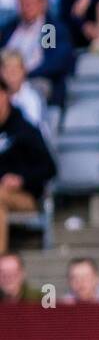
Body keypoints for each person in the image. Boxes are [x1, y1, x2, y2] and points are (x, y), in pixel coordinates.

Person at [0, 83, 57, 253]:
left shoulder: (25, 130)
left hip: (25, 197)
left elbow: (49, 167)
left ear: (6, 97)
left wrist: (21, 179)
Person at [0, 0, 74, 104]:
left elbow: (53, 63)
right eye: (22, 2)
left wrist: (23, 74)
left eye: (30, 1)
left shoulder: (48, 29)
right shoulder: (10, 29)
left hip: (36, 80)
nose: (26, 6)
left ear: (42, 2)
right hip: (5, 82)